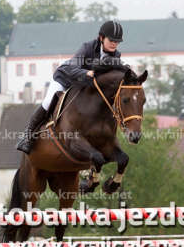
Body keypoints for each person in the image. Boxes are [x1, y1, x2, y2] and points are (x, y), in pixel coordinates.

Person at [17, 20, 124, 154]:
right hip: (65, 79)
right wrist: (85, 73)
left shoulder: (116, 55)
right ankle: (28, 136)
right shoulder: (87, 48)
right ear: (101, 38)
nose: (115, 44)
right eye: (112, 40)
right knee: (48, 101)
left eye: (117, 41)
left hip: (83, 87)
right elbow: (71, 67)